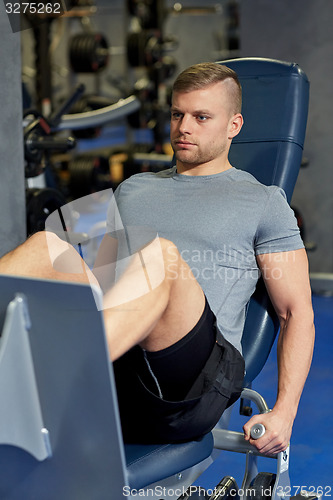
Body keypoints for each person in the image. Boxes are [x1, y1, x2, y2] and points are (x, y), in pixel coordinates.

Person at [0, 63, 314, 456]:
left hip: (193, 385)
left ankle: (54, 376)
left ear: (234, 125)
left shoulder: (265, 202)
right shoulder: (135, 189)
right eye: (177, 114)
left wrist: (284, 411)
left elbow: (296, 312)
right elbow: (81, 252)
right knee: (45, 244)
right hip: (123, 370)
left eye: (201, 117)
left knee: (159, 255)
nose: (184, 127)